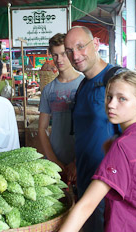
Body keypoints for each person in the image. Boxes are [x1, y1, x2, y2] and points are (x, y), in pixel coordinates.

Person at [59, 70, 136, 232]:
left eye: (122, 99)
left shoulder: (122, 146)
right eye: (109, 97)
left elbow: (87, 205)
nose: (111, 104)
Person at [64, 26, 118, 231]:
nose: (75, 55)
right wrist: (77, 163)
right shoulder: (83, 85)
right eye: (69, 50)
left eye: (80, 47)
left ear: (95, 44)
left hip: (110, 189)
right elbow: (87, 132)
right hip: (86, 183)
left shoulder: (116, 81)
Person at [38, 33, 84, 184]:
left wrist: (77, 161)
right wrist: (53, 160)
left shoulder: (84, 84)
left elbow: (91, 126)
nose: (59, 60)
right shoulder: (48, 89)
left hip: (82, 158)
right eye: (55, 55)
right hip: (54, 161)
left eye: (63, 54)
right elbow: (42, 128)